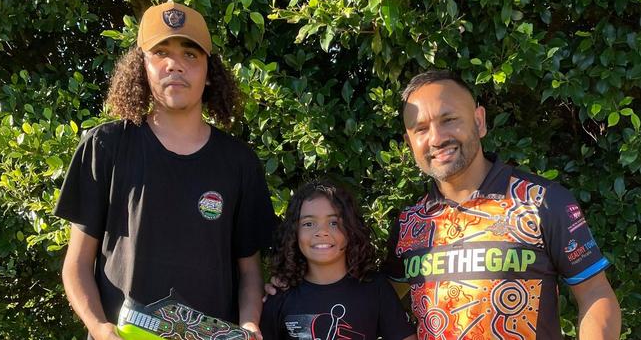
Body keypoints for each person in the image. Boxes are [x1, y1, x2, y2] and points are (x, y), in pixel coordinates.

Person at [56, 1, 276, 340]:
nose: (175, 65)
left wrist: (249, 325)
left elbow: (249, 272)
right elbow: (77, 264)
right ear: (141, 65)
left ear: (209, 71)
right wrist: (98, 326)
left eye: (190, 54)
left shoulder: (239, 162)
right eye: (161, 53)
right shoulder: (105, 147)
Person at [382, 69, 621, 339]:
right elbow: (379, 301)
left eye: (449, 119)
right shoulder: (408, 223)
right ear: (409, 143)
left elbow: (595, 293)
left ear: (479, 121)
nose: (436, 138)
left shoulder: (542, 201)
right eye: (421, 129)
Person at [261, 180, 417, 340]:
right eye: (308, 223)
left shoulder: (375, 288)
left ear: (351, 229)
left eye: (334, 222)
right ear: (294, 232)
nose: (321, 232)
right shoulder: (279, 295)